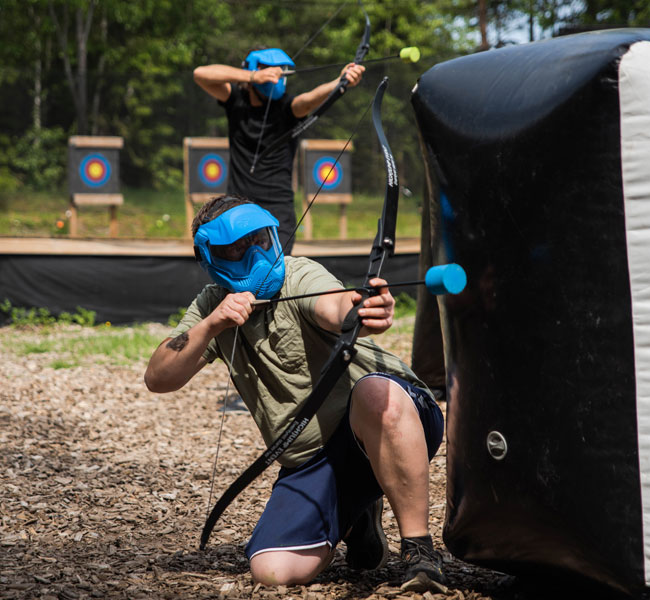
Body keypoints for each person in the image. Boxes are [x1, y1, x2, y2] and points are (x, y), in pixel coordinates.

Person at [144, 195, 448, 593]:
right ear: (211, 259)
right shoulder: (212, 306)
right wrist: (212, 325)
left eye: (259, 242)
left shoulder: (298, 274)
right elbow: (158, 377)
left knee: (374, 392)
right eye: (235, 250)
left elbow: (334, 306)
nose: (252, 257)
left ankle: (419, 550)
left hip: (395, 415)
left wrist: (362, 310)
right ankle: (358, 513)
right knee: (273, 570)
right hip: (313, 457)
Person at [193, 49, 366, 255]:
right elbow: (200, 74)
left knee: (272, 271)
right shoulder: (236, 101)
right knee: (236, 270)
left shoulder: (287, 108)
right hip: (238, 207)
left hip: (277, 212)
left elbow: (308, 100)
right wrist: (252, 76)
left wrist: (340, 82)